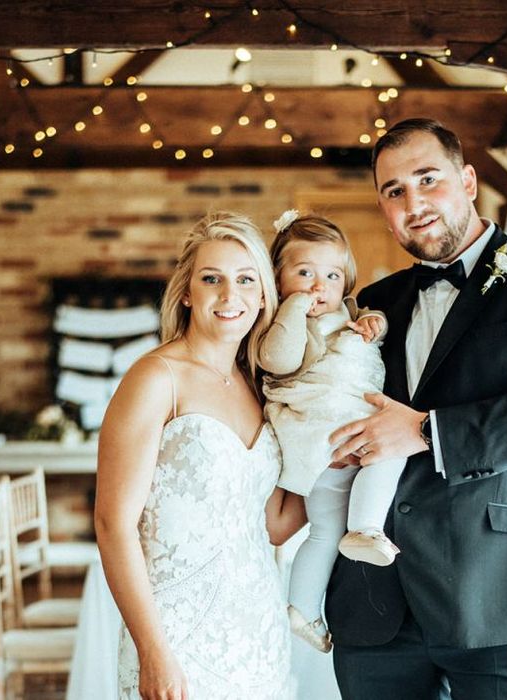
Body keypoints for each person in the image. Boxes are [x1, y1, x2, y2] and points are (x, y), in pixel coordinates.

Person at [326, 118, 507, 699]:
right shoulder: (375, 303)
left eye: (428, 180)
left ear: (469, 179)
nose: (414, 203)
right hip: (377, 602)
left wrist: (427, 431)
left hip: (497, 592)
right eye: (394, 191)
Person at [94, 211, 306, 700]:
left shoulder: (258, 386)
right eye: (213, 279)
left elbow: (272, 524)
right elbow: (112, 525)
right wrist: (153, 652)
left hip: (257, 632)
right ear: (187, 291)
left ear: (262, 296)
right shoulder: (155, 379)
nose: (231, 296)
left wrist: (339, 465)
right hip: (177, 641)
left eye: (246, 280)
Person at [258, 212, 407, 654]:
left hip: (349, 436)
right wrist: (294, 308)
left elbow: (370, 319)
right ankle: (364, 527)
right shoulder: (282, 325)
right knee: (389, 451)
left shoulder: (349, 312)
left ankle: (302, 609)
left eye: (331, 275)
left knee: (325, 531)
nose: (317, 285)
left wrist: (372, 324)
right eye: (303, 273)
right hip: (323, 436)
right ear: (277, 279)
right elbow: (279, 361)